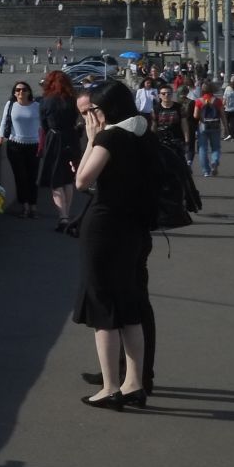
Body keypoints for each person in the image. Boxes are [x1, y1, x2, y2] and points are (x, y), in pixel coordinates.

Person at [72, 81, 157, 409]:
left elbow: (82, 180)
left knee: (103, 306)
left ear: (108, 109)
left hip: (104, 229)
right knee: (130, 305)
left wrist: (92, 140)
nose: (90, 116)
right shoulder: (143, 135)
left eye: (94, 110)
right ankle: (134, 383)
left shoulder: (111, 137)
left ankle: (110, 388)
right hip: (133, 229)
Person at [36, 70, 83, 231]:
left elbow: (44, 125)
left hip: (55, 140)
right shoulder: (72, 100)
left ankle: (62, 216)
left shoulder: (46, 101)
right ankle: (67, 215)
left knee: (56, 180)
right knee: (68, 180)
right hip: (71, 139)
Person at [0, 80, 42, 217]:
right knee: (20, 177)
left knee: (32, 178)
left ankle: (33, 207)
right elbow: (4, 121)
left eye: (24, 90)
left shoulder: (37, 106)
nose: (20, 92)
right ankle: (25, 206)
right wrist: (0, 137)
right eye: (17, 90)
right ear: (14, 93)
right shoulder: (10, 105)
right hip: (15, 145)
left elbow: (43, 125)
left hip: (34, 145)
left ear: (29, 92)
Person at [192, 82, 224, 178]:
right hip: (215, 126)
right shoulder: (217, 101)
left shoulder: (199, 101)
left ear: (203, 90)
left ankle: (206, 171)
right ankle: (214, 161)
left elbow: (195, 115)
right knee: (216, 147)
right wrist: (226, 128)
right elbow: (223, 115)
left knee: (202, 149)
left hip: (203, 127)